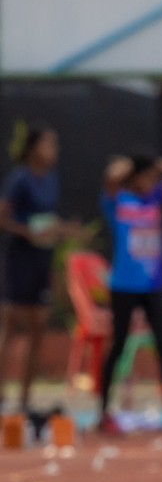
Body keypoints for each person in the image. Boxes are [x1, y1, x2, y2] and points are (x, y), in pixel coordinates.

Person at [98, 151, 162, 436]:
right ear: (134, 177)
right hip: (124, 285)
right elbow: (111, 175)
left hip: (153, 284)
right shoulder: (118, 200)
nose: (151, 181)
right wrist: (133, 167)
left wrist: (156, 165)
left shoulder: (154, 197)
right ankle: (104, 412)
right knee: (118, 347)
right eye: (146, 177)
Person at [0, 124, 80, 436]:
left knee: (39, 328)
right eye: (48, 145)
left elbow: (47, 220)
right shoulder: (19, 178)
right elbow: (4, 217)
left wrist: (62, 230)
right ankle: (3, 395)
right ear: (34, 147)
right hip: (19, 259)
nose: (53, 151)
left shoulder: (52, 180)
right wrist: (29, 232)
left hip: (41, 261)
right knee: (13, 326)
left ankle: (24, 400)